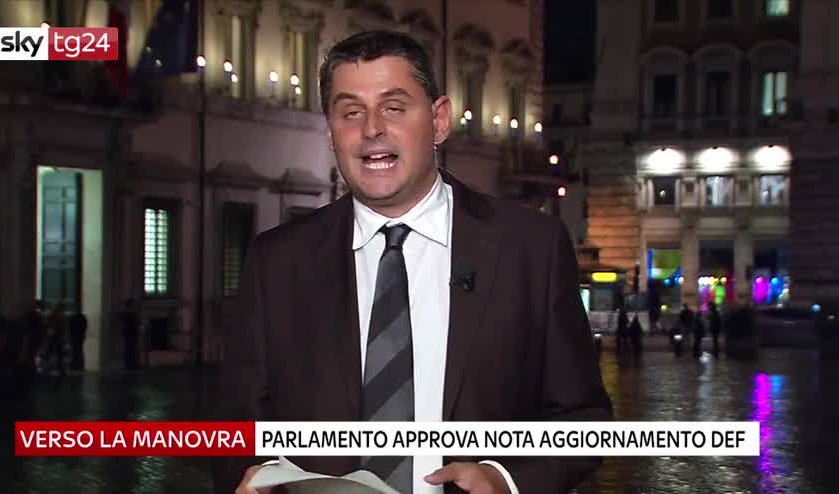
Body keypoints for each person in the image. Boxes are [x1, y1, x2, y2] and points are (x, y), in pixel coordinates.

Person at [215, 31, 613, 494]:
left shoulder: (531, 247)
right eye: (351, 113)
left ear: (439, 121)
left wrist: (507, 479)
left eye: (394, 107)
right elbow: (236, 430)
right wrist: (255, 475)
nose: (371, 129)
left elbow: (583, 420)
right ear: (330, 133)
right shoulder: (277, 261)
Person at [120, 299, 140, 370]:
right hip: (129, 333)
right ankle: (130, 365)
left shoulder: (127, 314)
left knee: (131, 349)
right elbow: (135, 323)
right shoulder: (127, 314)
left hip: (130, 333)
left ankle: (131, 364)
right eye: (133, 305)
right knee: (130, 349)